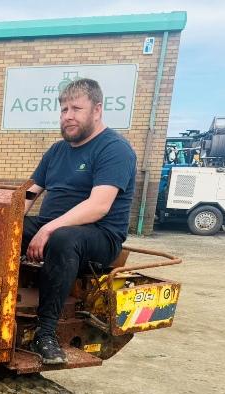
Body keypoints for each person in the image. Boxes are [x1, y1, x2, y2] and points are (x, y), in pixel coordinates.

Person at [23, 78, 137, 364]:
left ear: (97, 110)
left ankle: (45, 333)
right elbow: (28, 193)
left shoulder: (114, 149)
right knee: (7, 230)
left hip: (98, 237)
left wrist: (49, 229)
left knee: (64, 238)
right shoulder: (56, 151)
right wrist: (5, 218)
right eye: (63, 110)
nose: (68, 116)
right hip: (54, 226)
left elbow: (99, 206)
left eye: (76, 109)